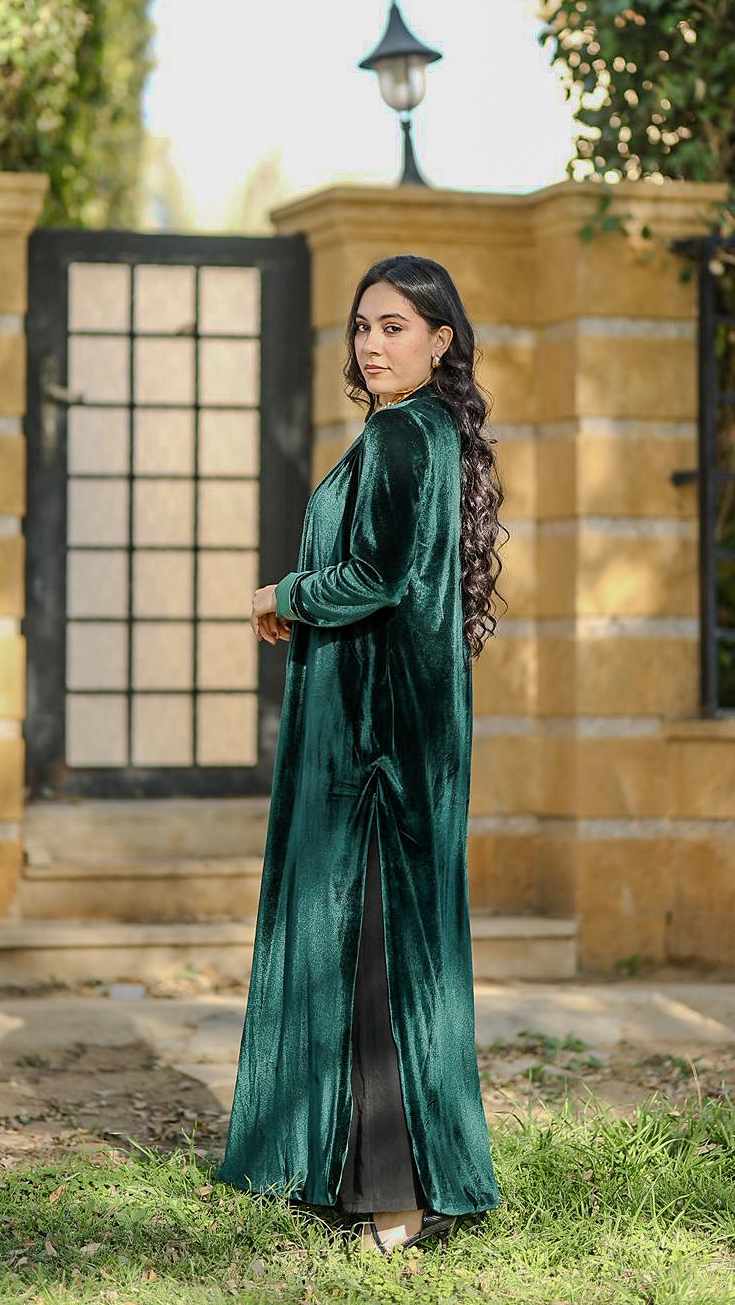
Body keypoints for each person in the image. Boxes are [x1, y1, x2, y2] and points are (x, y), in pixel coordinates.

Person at [215, 253, 508, 1254]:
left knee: (373, 952)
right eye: (361, 326)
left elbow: (376, 576)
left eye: (394, 327)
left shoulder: (397, 434)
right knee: (386, 949)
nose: (371, 344)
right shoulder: (429, 432)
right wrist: (306, 603)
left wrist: (283, 594)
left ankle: (396, 1196)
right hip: (405, 732)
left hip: (376, 744)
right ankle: (370, 1178)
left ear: (439, 341)